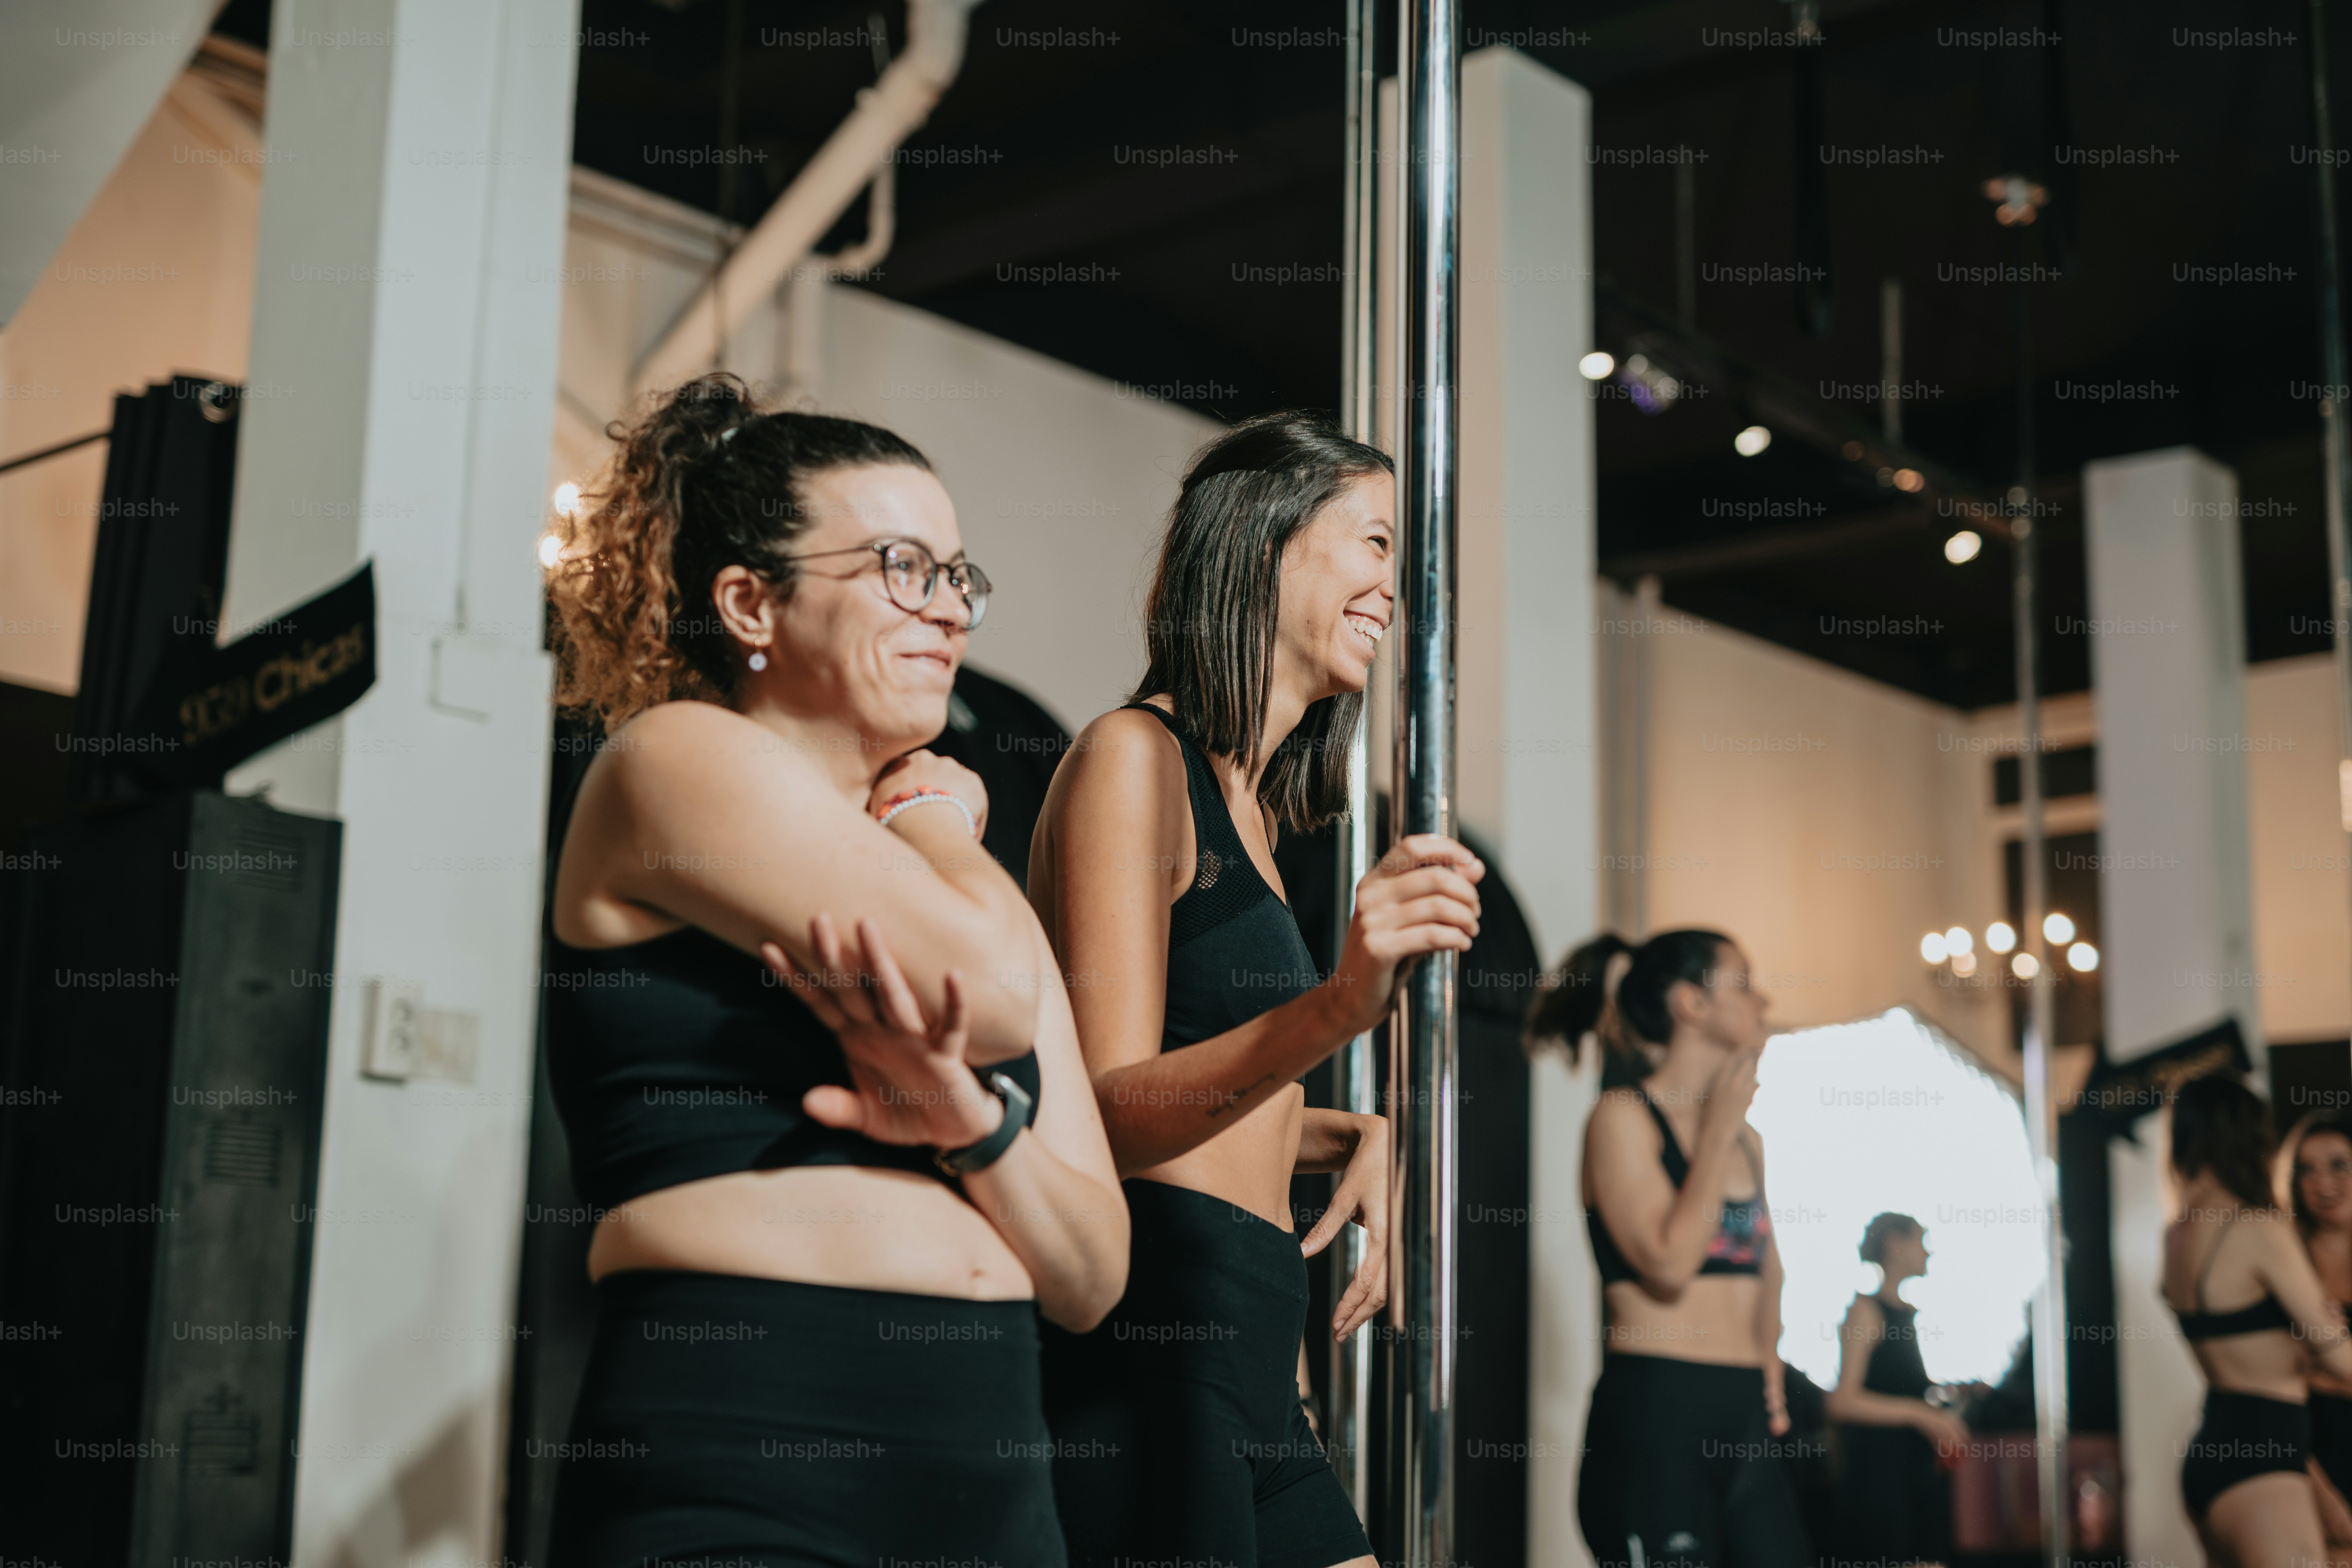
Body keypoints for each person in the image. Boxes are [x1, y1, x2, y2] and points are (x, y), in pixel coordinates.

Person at [538, 373, 1127, 1565]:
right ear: (752, 603)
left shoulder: (964, 890)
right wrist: (933, 812)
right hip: (754, 1429)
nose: (951, 611)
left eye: (960, 576)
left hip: (993, 1460)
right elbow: (999, 994)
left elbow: (1091, 1273)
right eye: (904, 567)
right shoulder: (675, 756)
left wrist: (974, 1127)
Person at [1028, 410, 1486, 1568]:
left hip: (1248, 1355)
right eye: (1374, 542)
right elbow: (1107, 1112)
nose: (1395, 587)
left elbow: (1208, 1096)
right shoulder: (1134, 759)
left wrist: (1339, 1130)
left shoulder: (1253, 812)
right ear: (1264, 540)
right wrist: (1338, 1005)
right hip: (1152, 1347)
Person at [1526, 928, 1809, 1568]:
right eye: (1741, 982)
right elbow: (1667, 1264)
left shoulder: (1748, 1141)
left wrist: (1766, 1358)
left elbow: (1770, 1270)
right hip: (1659, 1412)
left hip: (1743, 1414)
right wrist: (1711, 1135)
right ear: (1690, 1003)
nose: (1761, 1001)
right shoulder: (1620, 1118)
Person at [2163, 1075, 2352, 1568]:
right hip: (2264, 1462)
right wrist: (2323, 1334)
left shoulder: (2176, 1234)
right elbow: (2346, 1362)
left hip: (2217, 1450)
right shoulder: (2258, 1227)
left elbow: (2244, 1334)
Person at [1826, 1212, 1968, 1567]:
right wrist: (1920, 1414)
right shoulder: (1866, 1311)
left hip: (1914, 1477)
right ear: (1895, 1244)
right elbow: (1842, 1401)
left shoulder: (1905, 1314)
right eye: (1922, 1240)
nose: (1928, 1252)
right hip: (1879, 1484)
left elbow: (1896, 1386)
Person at [2287, 1111, 2352, 1551]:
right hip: (2316, 1457)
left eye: (2339, 1165)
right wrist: (2317, 1490)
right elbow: (2274, 1386)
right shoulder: (2285, 1263)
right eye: (2306, 1169)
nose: (2322, 1182)